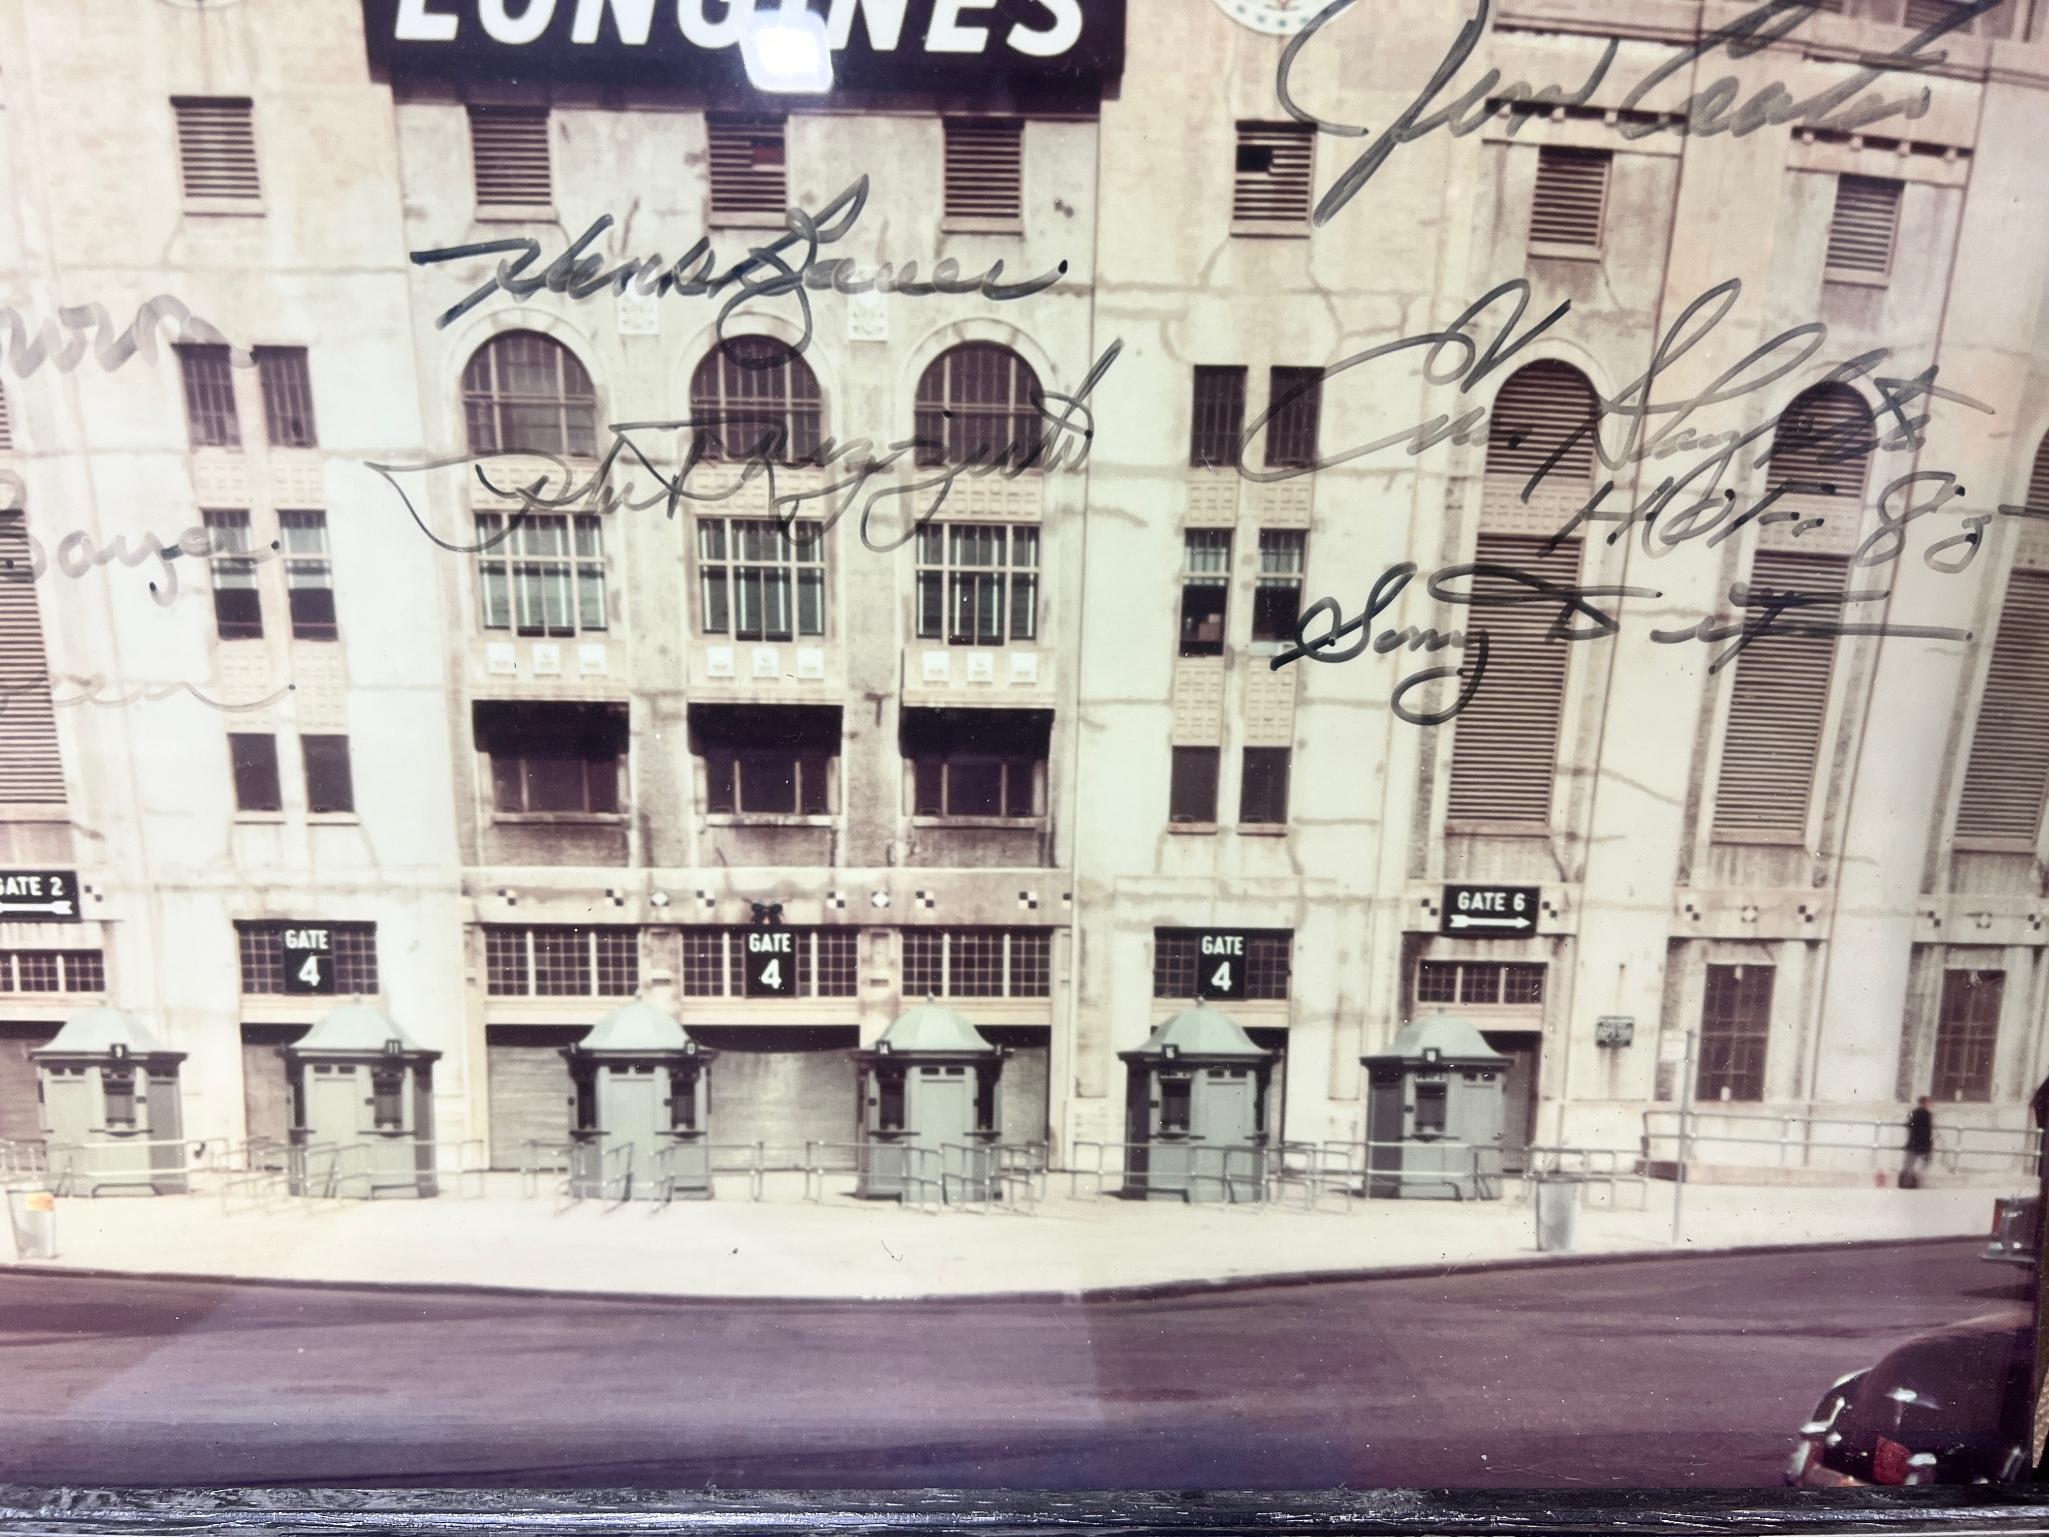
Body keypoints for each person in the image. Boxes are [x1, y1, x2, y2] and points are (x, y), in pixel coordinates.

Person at [1901, 1096, 1934, 1189]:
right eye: (1928, 1103)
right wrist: (1929, 1143)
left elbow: (1908, 1124)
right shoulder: (1927, 1114)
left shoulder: (1913, 1112)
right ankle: (1915, 1180)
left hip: (1912, 1142)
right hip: (1922, 1143)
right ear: (1924, 1103)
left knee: (1910, 1163)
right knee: (1925, 1161)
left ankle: (1908, 1182)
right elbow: (1927, 1130)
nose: (1929, 1104)